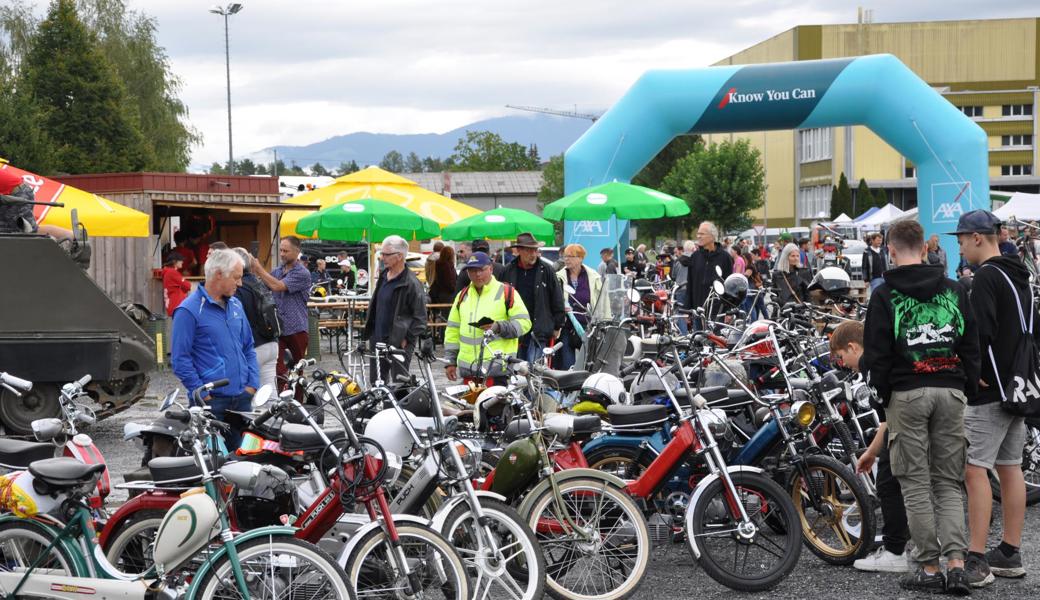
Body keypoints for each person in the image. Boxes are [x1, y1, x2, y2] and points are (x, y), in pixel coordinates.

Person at [862, 219, 979, 595]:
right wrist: (967, 389)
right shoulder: (955, 288)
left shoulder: (884, 294)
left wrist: (883, 396)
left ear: (891, 250)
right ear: (925, 249)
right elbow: (970, 342)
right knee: (948, 482)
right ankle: (957, 565)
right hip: (951, 391)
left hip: (907, 392)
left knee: (913, 483)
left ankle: (929, 567)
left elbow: (876, 354)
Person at [954, 210, 1033, 587]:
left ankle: (977, 559)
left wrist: (971, 375)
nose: (960, 247)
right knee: (1010, 465)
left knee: (975, 470)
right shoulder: (1018, 273)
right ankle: (1009, 552)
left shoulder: (985, 277)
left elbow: (978, 334)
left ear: (978, 238)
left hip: (991, 387)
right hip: (1019, 383)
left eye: (961, 240)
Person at [830, 321, 911, 574]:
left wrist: (873, 452)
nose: (843, 364)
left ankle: (895, 551)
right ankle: (928, 543)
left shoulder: (871, 367)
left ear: (853, 347)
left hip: (907, 420)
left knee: (888, 483)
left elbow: (889, 419)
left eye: (842, 357)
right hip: (925, 412)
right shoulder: (887, 352)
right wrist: (872, 452)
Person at [171, 249, 258, 450]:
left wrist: (252, 385)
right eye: (236, 277)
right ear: (219, 274)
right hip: (212, 403)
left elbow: (248, 347)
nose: (240, 283)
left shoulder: (236, 305)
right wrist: (203, 395)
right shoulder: (188, 310)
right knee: (213, 467)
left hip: (242, 400)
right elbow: (180, 360)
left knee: (245, 460)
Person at [444, 252, 531, 382]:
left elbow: (525, 323)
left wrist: (499, 327)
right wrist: (450, 361)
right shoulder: (462, 296)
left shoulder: (507, 292)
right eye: (472, 271)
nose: (477, 274)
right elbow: (452, 331)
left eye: (481, 270)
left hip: (497, 372)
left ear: (491, 268)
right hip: (469, 372)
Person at [363, 235, 428, 383]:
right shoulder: (385, 275)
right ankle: (380, 407)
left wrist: (407, 338)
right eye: (382, 253)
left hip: (398, 342)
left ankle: (396, 407)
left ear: (399, 256)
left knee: (399, 384)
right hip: (378, 340)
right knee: (377, 383)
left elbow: (421, 318)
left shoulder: (411, 283)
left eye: (386, 254)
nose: (382, 257)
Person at [251, 236, 312, 389]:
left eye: (286, 251)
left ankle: (298, 404)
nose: (282, 254)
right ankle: (282, 403)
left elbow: (278, 286)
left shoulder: (302, 273)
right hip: (278, 327)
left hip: (296, 328)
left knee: (297, 370)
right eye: (281, 250)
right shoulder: (277, 271)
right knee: (278, 370)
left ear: (297, 252)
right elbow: (264, 288)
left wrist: (259, 269)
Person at [500, 232, 566, 364]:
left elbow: (557, 298)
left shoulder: (546, 270)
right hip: (515, 329)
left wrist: (557, 325)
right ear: (519, 251)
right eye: (529, 250)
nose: (533, 254)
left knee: (535, 372)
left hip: (538, 329)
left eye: (535, 250)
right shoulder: (508, 270)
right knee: (516, 372)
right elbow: (499, 299)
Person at [232, 247, 281, 392]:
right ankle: (272, 415)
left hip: (254, 345)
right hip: (271, 341)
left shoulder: (238, 288)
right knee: (269, 391)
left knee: (249, 393)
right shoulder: (258, 282)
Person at [556, 243, 601, 370]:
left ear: (580, 258)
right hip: (566, 327)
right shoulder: (559, 276)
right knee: (567, 365)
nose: (566, 259)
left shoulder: (593, 277)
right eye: (565, 256)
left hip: (588, 326)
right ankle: (567, 389)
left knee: (589, 364)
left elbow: (601, 301)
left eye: (571, 256)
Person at [686, 221, 733, 315]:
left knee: (716, 330)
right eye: (698, 233)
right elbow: (690, 284)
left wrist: (728, 311)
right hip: (698, 310)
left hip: (718, 311)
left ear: (712, 236)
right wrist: (688, 309)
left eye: (702, 234)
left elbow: (730, 286)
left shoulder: (725, 257)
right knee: (698, 330)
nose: (698, 236)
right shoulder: (695, 257)